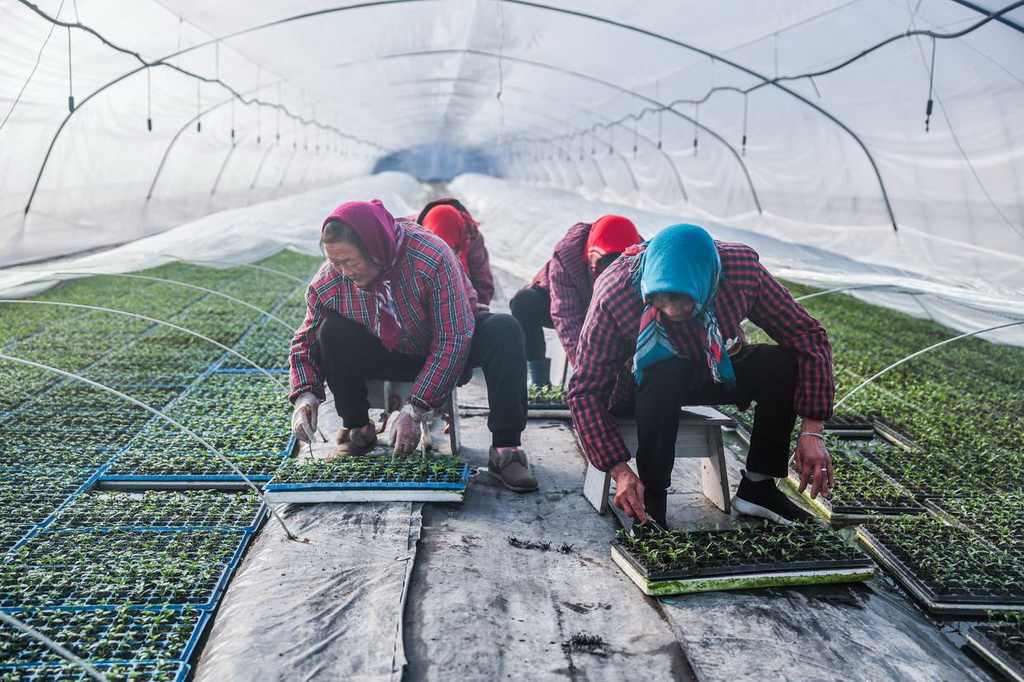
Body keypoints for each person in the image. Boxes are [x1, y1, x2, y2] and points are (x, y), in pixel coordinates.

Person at [568, 223, 835, 527]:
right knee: (664, 368)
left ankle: (758, 489)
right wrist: (620, 470)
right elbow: (585, 391)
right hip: (642, 383)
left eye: (680, 299)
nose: (669, 310)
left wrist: (812, 428)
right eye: (659, 298)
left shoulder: (739, 274)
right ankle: (653, 500)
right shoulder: (616, 292)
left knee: (779, 364)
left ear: (707, 282)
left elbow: (807, 335)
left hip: (710, 365)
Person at [289, 200, 537, 492]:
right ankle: (357, 430)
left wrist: (415, 409)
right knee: (331, 331)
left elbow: (453, 338)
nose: (344, 272)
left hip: (447, 349)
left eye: (351, 261)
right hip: (389, 349)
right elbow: (304, 340)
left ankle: (505, 451)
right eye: (335, 262)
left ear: (375, 248)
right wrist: (305, 395)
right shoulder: (330, 281)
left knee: (504, 330)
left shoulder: (430, 257)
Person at [510, 215, 641, 387]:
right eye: (603, 272)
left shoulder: (638, 254)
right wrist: (588, 374)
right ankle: (539, 382)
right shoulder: (567, 254)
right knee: (524, 302)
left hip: (608, 308)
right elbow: (567, 317)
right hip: (564, 300)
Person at [417, 198, 495, 305]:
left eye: (449, 248)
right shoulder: (410, 240)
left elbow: (483, 285)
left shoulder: (472, 237)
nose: (445, 253)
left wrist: (475, 313)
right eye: (439, 246)